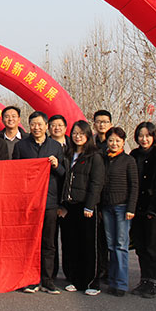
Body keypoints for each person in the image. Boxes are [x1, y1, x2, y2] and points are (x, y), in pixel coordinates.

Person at [12, 111, 65, 294]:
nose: (36, 127)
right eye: (33, 124)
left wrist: (56, 165)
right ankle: (30, 279)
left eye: (40, 124)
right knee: (28, 242)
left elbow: (64, 173)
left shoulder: (55, 146)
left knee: (49, 242)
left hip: (49, 201)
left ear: (46, 126)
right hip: (28, 202)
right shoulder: (21, 146)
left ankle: (48, 280)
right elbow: (15, 173)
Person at [59, 120, 104, 296]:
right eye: (75, 133)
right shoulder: (68, 154)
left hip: (86, 207)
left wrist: (90, 205)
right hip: (70, 206)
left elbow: (96, 183)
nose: (78, 136)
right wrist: (63, 204)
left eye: (81, 133)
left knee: (89, 245)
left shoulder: (94, 156)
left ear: (88, 135)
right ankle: (76, 280)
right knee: (73, 244)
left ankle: (92, 282)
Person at [129, 121, 156, 299]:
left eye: (147, 136)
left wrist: (154, 210)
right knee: (141, 247)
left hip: (153, 211)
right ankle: (144, 279)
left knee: (153, 247)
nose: (144, 139)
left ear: (154, 137)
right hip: (136, 209)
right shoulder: (134, 155)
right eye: (141, 136)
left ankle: (153, 282)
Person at [100, 127, 138, 297]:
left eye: (117, 140)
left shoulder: (128, 161)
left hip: (123, 208)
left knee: (121, 246)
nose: (114, 143)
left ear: (123, 142)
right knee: (111, 245)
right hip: (107, 207)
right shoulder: (104, 159)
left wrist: (131, 208)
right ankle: (112, 281)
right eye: (111, 140)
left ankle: (121, 284)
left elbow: (134, 186)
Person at [49, 114, 71, 282]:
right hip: (51, 199)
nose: (56, 128)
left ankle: (71, 272)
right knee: (50, 239)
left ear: (65, 127)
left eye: (60, 125)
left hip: (71, 200)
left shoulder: (74, 146)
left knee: (70, 238)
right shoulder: (45, 146)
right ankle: (52, 272)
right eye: (53, 125)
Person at [92, 109, 112, 281]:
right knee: (97, 236)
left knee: (111, 237)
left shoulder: (116, 141)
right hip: (94, 195)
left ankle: (111, 271)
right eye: (98, 122)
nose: (101, 125)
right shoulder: (90, 143)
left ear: (110, 124)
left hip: (112, 196)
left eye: (105, 122)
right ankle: (100, 268)